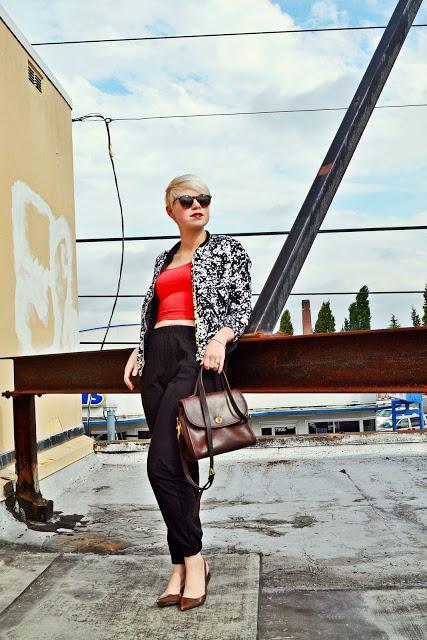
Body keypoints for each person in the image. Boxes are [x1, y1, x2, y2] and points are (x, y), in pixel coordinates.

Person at [124, 174, 252, 611]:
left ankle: (194, 561)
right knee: (180, 466)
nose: (198, 205)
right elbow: (154, 312)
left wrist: (220, 340)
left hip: (193, 357)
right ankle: (178, 564)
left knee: (160, 466)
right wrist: (138, 351)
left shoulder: (228, 250)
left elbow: (241, 305)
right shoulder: (164, 258)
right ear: (171, 210)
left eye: (204, 199)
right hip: (157, 358)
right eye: (187, 200)